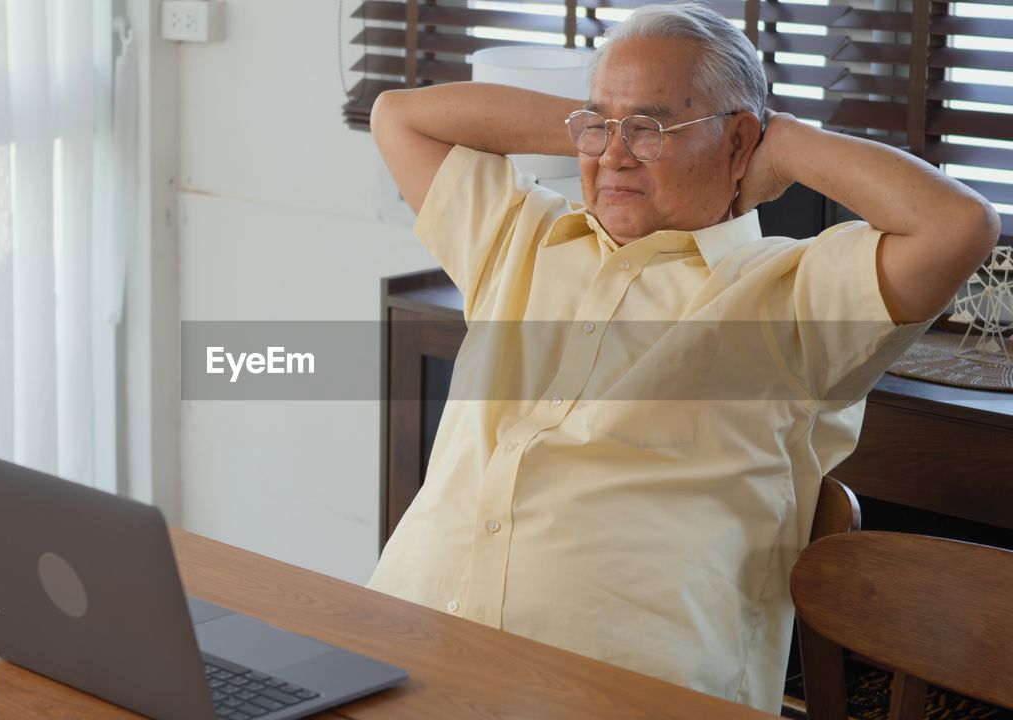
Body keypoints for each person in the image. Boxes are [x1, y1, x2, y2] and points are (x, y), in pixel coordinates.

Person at [363, 2, 1000, 712]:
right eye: (601, 126)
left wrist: (781, 146)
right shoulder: (524, 238)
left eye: (653, 127)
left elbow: (958, 223)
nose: (612, 155)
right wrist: (612, 126)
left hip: (610, 694)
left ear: (739, 143)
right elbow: (398, 116)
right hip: (400, 653)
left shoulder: (791, 295)